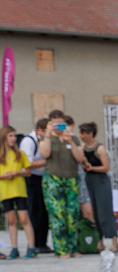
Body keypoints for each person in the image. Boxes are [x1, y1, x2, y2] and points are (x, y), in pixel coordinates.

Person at [39, 109, 86, 258]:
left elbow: (80, 158)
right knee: (57, 215)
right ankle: (61, 249)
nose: (59, 127)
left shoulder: (72, 139)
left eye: (61, 124)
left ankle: (73, 247)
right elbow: (45, 154)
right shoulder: (46, 138)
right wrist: (47, 133)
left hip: (71, 178)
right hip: (53, 179)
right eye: (55, 124)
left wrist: (70, 141)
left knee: (72, 214)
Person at [78, 123, 118, 253]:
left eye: (82, 133)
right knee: (94, 213)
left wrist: (92, 168)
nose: (81, 136)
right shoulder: (82, 148)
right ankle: (99, 241)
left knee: (105, 211)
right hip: (88, 181)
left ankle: (114, 241)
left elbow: (106, 167)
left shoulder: (100, 148)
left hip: (101, 182)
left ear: (90, 133)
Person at [0, 126, 36, 258]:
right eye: (10, 136)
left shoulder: (20, 154)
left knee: (24, 218)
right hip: (5, 191)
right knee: (11, 220)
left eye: (14, 136)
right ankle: (14, 248)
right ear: (4, 137)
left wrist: (18, 172)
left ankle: (32, 247)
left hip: (19, 190)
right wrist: (4, 176)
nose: (13, 138)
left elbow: (28, 171)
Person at [19, 118, 50, 253]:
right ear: (39, 130)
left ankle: (43, 243)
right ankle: (35, 243)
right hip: (32, 179)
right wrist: (48, 162)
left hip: (44, 177)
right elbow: (28, 163)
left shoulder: (46, 140)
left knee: (45, 211)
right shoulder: (28, 141)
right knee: (35, 211)